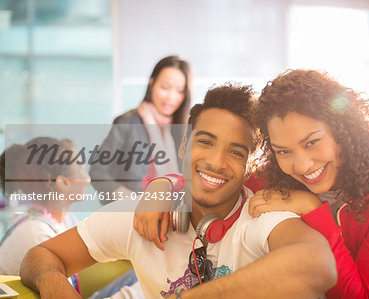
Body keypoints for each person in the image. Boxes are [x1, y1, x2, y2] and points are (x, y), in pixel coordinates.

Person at [20, 83, 337, 299]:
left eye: (236, 152)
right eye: (206, 142)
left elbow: (317, 264)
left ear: (250, 167)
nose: (216, 162)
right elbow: (41, 255)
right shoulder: (141, 212)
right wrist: (55, 286)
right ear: (184, 144)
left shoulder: (260, 218)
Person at [248, 69, 369, 298]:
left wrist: (314, 209)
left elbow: (363, 296)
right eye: (283, 151)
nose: (302, 166)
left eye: (312, 142)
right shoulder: (276, 176)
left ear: (343, 130)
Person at [89, 55, 192, 200]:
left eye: (179, 91)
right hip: (130, 214)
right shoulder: (127, 123)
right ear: (151, 84)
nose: (171, 97)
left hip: (171, 214)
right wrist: (131, 200)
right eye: (165, 87)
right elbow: (98, 172)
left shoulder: (183, 130)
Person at [0, 137, 89, 291]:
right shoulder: (36, 235)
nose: (87, 178)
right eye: (80, 169)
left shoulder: (64, 219)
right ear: (63, 183)